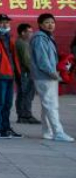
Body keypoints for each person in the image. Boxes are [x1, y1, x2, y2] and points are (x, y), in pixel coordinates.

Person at [30, 13, 73, 142]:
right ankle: (58, 133)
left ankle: (47, 131)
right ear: (40, 24)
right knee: (51, 105)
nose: (50, 25)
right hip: (45, 76)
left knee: (47, 105)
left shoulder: (47, 37)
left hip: (46, 76)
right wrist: (52, 72)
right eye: (47, 22)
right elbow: (42, 59)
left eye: (52, 22)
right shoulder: (40, 38)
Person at [14, 23, 40, 124]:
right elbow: (27, 60)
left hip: (24, 72)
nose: (31, 34)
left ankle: (23, 115)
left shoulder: (23, 42)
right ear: (22, 32)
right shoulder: (22, 43)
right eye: (29, 32)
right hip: (26, 73)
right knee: (26, 94)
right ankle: (26, 115)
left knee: (23, 94)